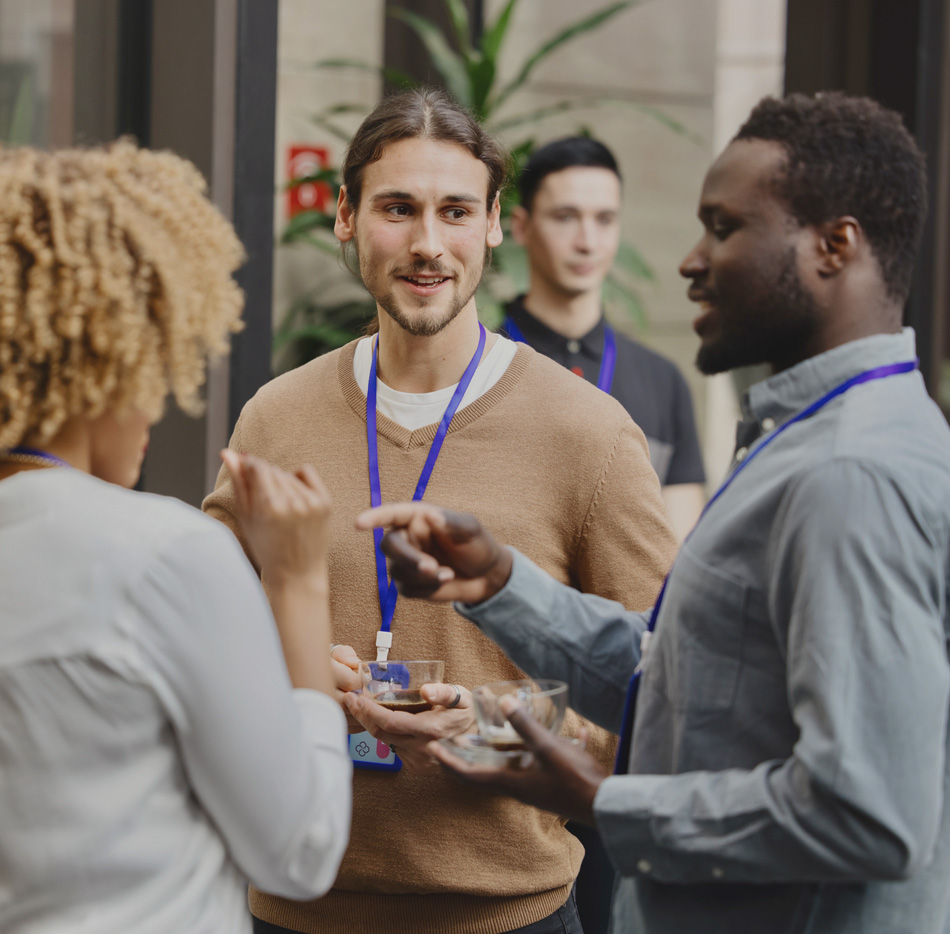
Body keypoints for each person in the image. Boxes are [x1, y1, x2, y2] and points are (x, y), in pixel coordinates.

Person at [358, 92, 950, 934]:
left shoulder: (850, 474)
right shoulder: (813, 440)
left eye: (724, 227)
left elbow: (868, 812)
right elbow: (691, 680)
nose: (689, 260)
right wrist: (498, 585)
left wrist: (603, 798)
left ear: (834, 246)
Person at [203, 88, 677, 934]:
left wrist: (494, 725)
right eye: (397, 209)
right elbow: (200, 655)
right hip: (291, 913)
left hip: (509, 918)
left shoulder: (590, 435)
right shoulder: (274, 418)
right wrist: (300, 667)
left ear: (496, 224)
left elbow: (666, 707)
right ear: (345, 217)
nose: (427, 244)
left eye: (455, 211)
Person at [0, 141, 352, 933]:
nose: (161, 401)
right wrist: (296, 584)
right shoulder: (157, 550)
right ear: (115, 350)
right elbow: (300, 851)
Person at [502, 136, 706, 540]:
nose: (588, 242)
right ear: (521, 227)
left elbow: (677, 553)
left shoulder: (663, 382)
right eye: (565, 217)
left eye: (605, 219)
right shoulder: (475, 362)